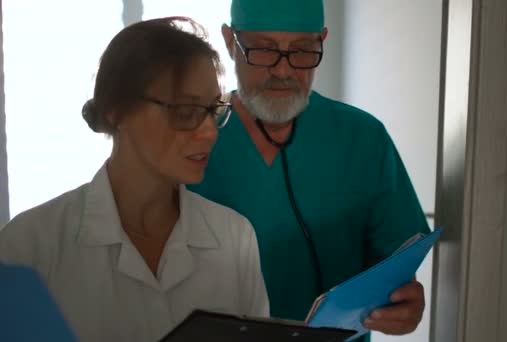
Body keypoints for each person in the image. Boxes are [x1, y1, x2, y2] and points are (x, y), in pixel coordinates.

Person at [0, 17, 269, 342]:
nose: (210, 132)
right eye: (185, 111)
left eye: (213, 110)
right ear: (116, 109)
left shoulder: (234, 240)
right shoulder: (28, 248)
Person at [187, 0, 430, 339]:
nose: (283, 71)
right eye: (262, 49)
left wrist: (405, 306)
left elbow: (396, 268)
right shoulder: (189, 144)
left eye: (302, 51)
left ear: (322, 41)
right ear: (230, 42)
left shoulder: (363, 139)